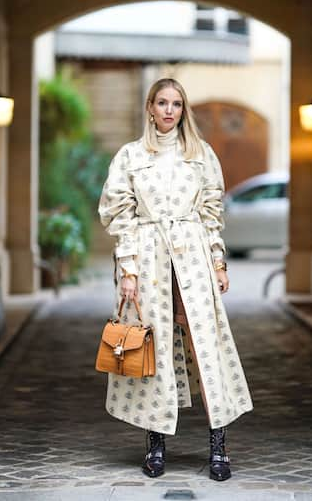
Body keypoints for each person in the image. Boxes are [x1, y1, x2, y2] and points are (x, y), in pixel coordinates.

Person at [98, 78, 253, 481]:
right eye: (162, 103)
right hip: (149, 260)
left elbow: (211, 211)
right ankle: (155, 446)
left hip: (194, 257)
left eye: (177, 104)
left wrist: (219, 261)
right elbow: (120, 214)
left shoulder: (200, 154)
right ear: (150, 107)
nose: (169, 111)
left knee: (207, 348)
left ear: (183, 110)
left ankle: (219, 447)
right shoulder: (130, 156)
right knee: (154, 349)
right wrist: (128, 269)